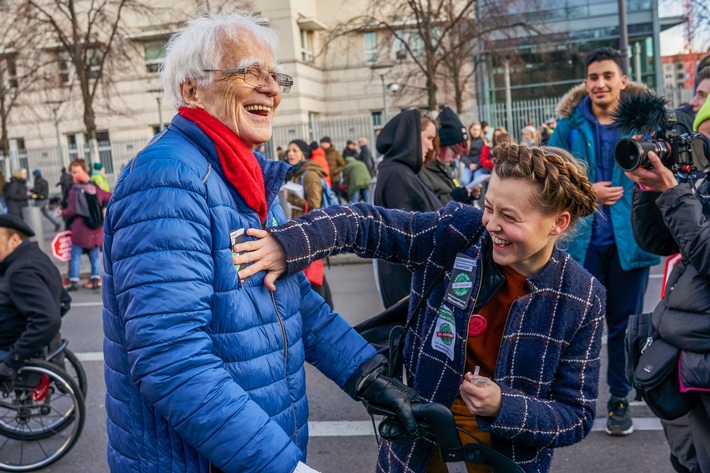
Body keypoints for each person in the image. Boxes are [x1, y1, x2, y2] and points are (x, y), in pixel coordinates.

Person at [101, 12, 419, 473]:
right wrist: (280, 465)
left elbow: (293, 301)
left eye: (275, 76)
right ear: (192, 90)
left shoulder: (244, 176)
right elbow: (172, 359)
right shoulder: (168, 179)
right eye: (250, 71)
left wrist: (369, 376)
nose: (271, 89)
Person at [234, 142, 605, 473]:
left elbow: (576, 416)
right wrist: (289, 243)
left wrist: (502, 405)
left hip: (503, 459)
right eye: (489, 207)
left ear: (558, 223)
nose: (491, 224)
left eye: (510, 217)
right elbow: (364, 223)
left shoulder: (583, 297)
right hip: (416, 449)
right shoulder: (459, 232)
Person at [548, 47, 658, 436]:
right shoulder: (569, 127)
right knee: (579, 326)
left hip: (630, 243)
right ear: (585, 83)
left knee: (624, 327)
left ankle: (618, 401)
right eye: (593, 77)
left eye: (608, 76)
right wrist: (585, 190)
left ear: (623, 81)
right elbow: (548, 176)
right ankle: (575, 400)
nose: (600, 83)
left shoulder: (645, 125)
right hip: (581, 244)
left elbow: (666, 175)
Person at [625, 97, 710, 473]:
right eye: (701, 137)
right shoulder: (701, 183)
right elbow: (657, 242)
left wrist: (674, 192)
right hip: (684, 354)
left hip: (702, 354)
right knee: (687, 461)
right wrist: (649, 189)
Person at [373, 109, 441, 308]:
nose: (430, 146)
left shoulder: (399, 171)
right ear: (410, 136)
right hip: (408, 286)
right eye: (428, 138)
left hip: (409, 283)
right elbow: (410, 235)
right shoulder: (398, 175)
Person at [0, 214, 64, 391]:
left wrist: (12, 360)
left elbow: (48, 320)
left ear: (14, 240)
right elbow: (64, 300)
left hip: (9, 343)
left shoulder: (21, 271)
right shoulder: (35, 257)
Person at [284, 139, 334, 307]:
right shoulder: (297, 173)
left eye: (295, 150)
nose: (290, 153)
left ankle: (324, 311)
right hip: (302, 230)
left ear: (304, 154)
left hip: (310, 231)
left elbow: (315, 204)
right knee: (313, 275)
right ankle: (326, 309)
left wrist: (290, 198)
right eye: (289, 150)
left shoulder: (309, 174)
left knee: (314, 275)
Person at [62, 158, 111, 291]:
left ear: (84, 171)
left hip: (80, 227)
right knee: (94, 253)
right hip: (96, 227)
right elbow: (108, 196)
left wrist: (62, 212)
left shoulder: (75, 190)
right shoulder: (94, 188)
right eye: (72, 172)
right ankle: (95, 278)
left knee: (76, 254)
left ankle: (73, 280)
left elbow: (71, 210)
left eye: (76, 172)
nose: (74, 175)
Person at [419, 107, 477, 205]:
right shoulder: (422, 170)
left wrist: (467, 196)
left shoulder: (442, 167)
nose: (457, 157)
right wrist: (455, 197)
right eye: (455, 152)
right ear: (441, 146)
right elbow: (429, 208)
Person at [460, 122, 485, 187]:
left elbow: (485, 156)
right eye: (474, 129)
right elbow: (461, 155)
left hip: (479, 166)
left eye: (478, 130)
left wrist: (477, 165)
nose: (476, 132)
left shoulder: (484, 141)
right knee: (464, 181)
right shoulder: (466, 142)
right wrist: (469, 164)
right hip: (469, 166)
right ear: (470, 130)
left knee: (476, 182)